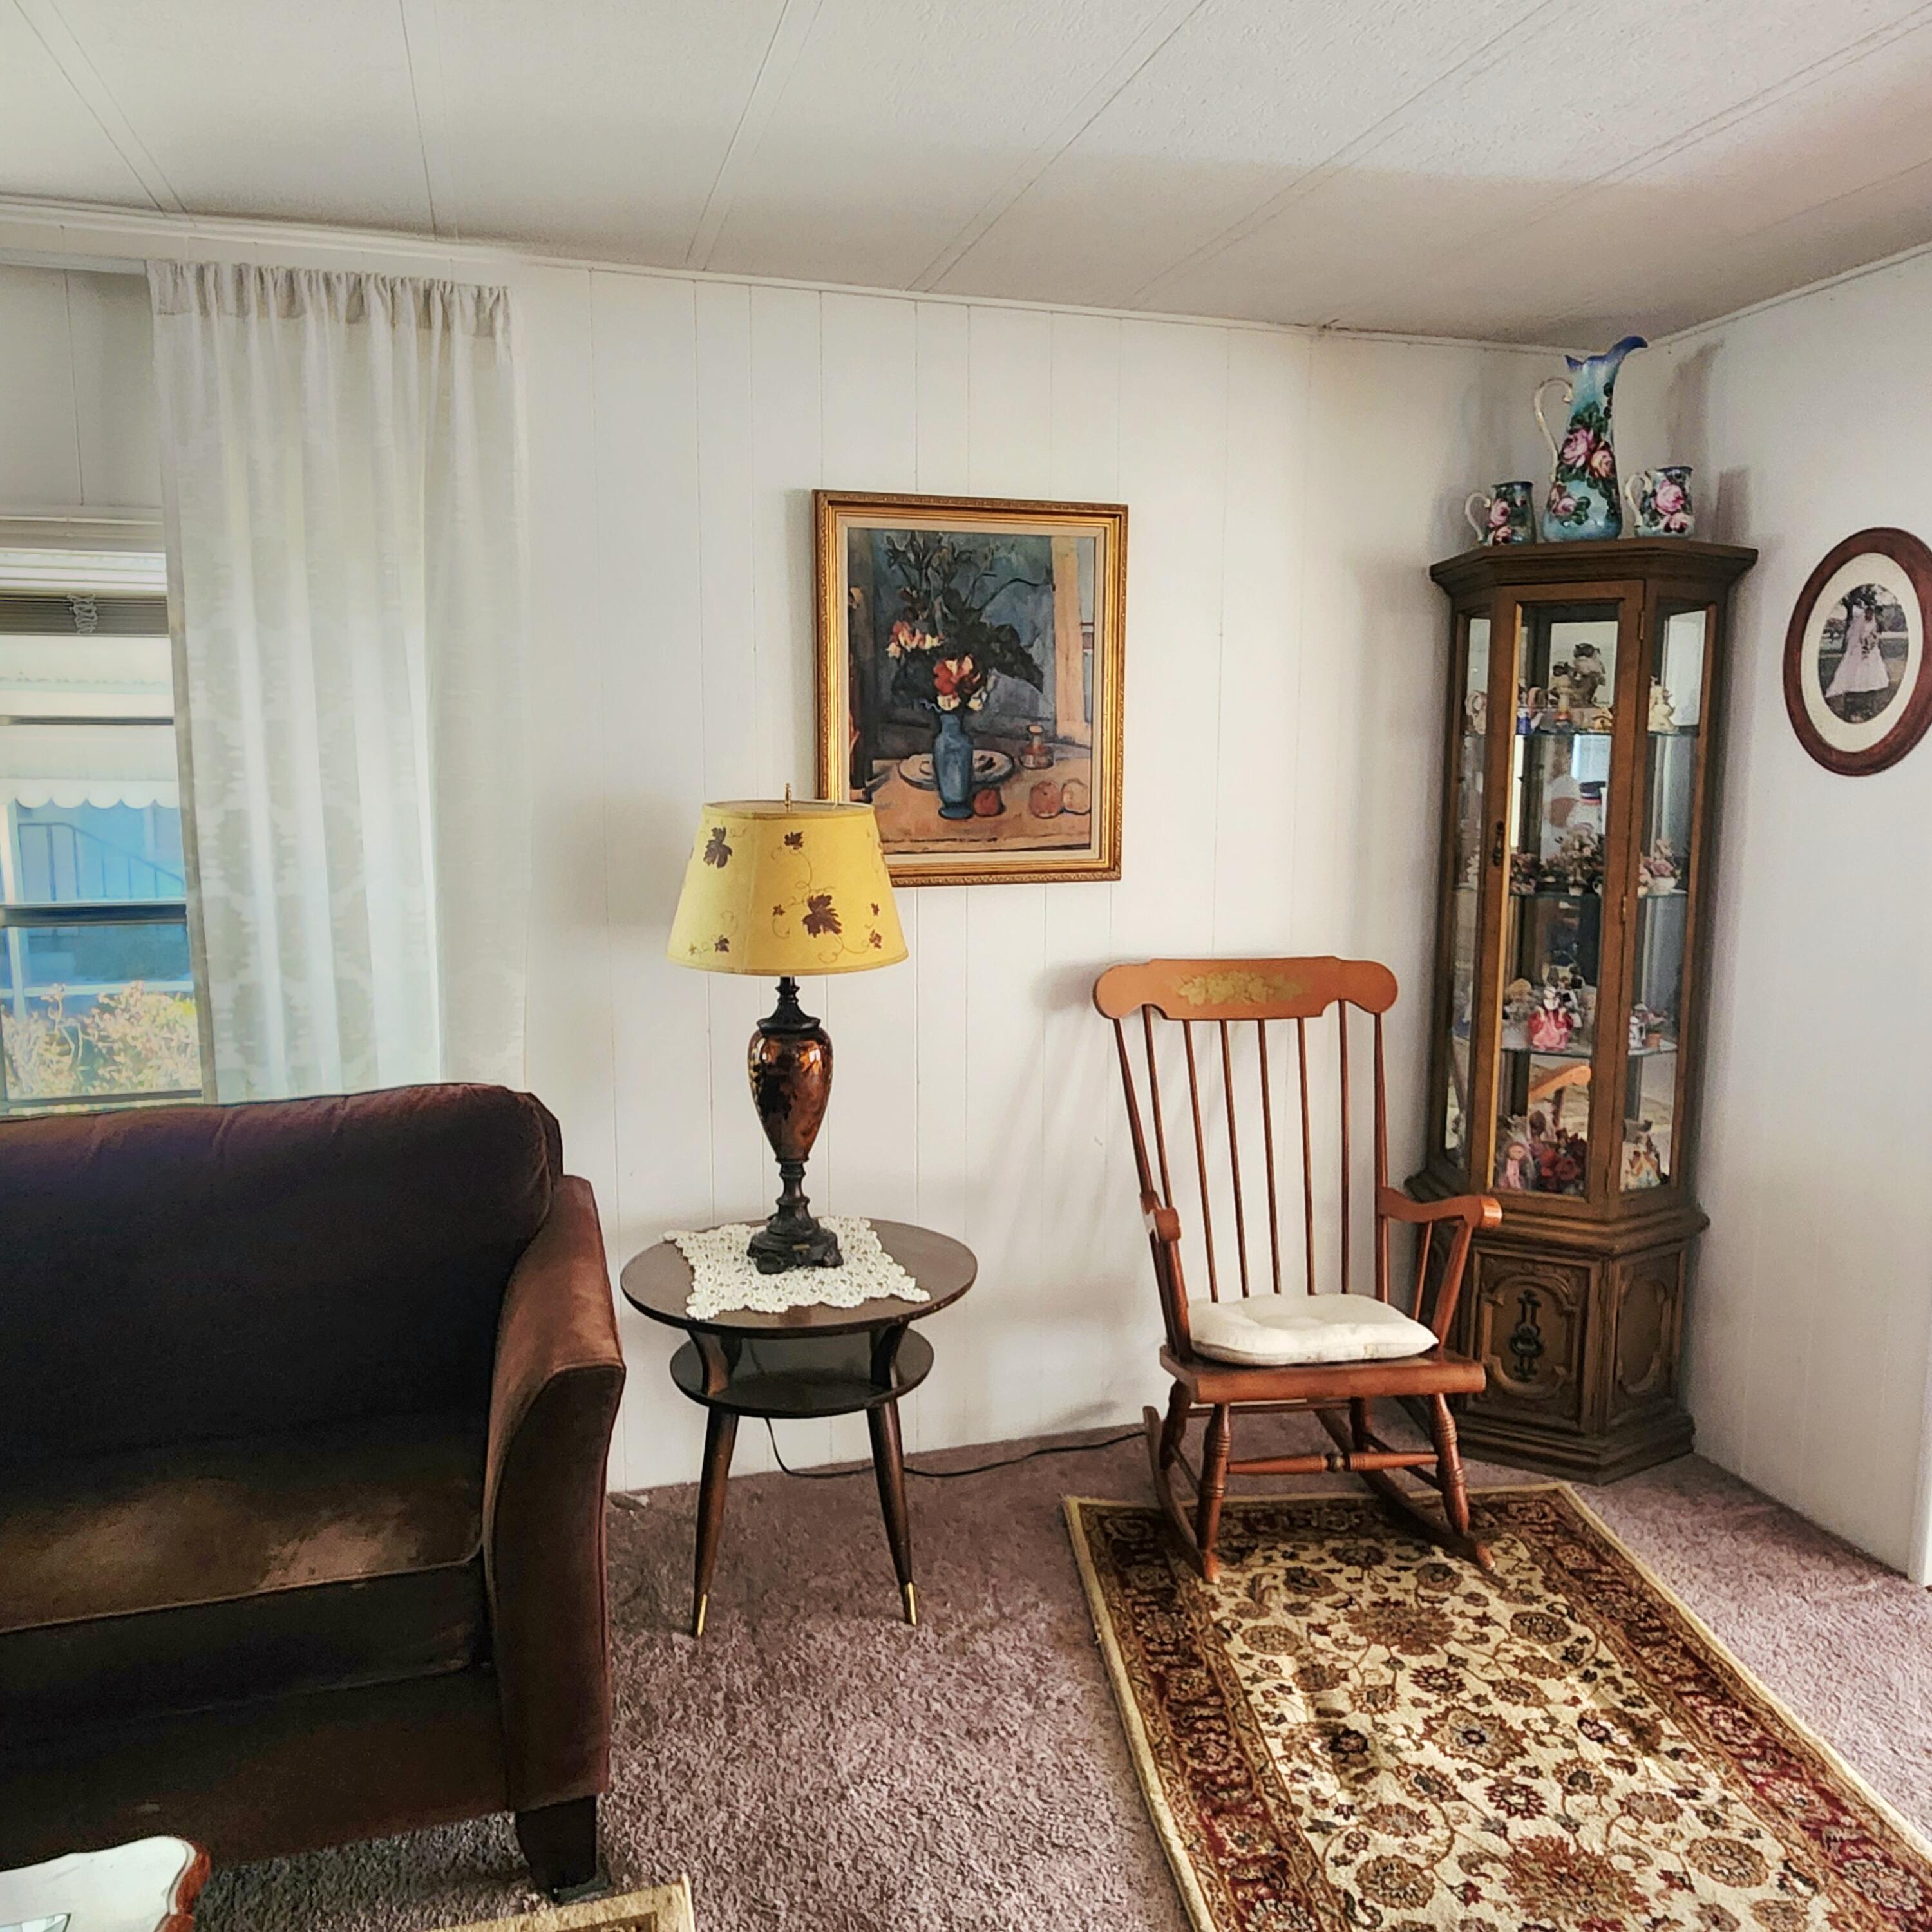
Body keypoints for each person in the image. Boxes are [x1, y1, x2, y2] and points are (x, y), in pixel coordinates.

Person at [1825, 587, 1892, 718]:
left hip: (1871, 646)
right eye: (1867, 612)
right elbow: (1856, 635)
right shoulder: (1859, 622)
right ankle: (1855, 686)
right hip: (1859, 646)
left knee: (1872, 665)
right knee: (1857, 665)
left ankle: (1871, 686)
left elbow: (1875, 634)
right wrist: (1863, 645)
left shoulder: (1874, 622)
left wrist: (1871, 644)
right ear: (1865, 612)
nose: (1869, 614)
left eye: (1871, 612)